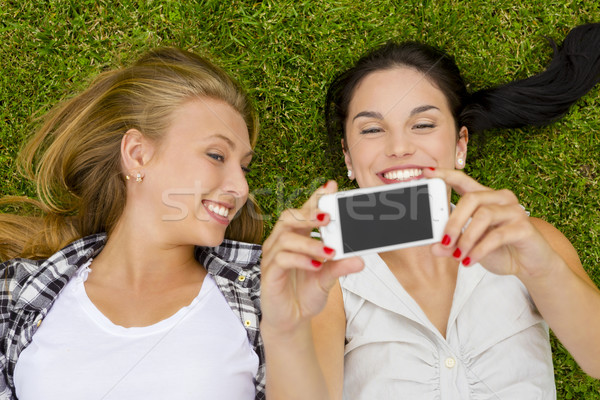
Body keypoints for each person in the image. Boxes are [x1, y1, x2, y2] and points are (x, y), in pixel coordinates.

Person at [260, 23, 600, 399]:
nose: (399, 146)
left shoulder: (528, 239)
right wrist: (282, 331)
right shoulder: (326, 279)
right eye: (372, 130)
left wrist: (541, 268)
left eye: (422, 124)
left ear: (460, 144)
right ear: (348, 158)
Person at [0, 48, 266, 399]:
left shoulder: (265, 294)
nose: (242, 187)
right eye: (216, 155)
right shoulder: (16, 292)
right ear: (138, 154)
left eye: (244, 167)